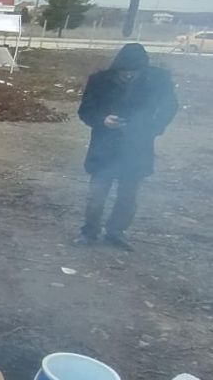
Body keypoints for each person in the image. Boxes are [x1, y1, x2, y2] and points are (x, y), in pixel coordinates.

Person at [73, 43, 178, 250]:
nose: (128, 76)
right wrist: (103, 120)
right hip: (104, 147)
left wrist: (152, 128)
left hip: (137, 147)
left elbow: (170, 107)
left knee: (128, 196)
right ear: (117, 68)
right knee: (97, 194)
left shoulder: (158, 79)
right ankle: (89, 232)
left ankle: (116, 232)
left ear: (142, 70)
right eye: (124, 72)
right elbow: (85, 110)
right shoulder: (99, 81)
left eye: (133, 73)